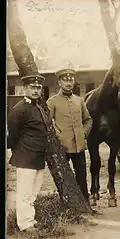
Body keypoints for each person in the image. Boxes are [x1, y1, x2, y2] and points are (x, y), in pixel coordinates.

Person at [7, 74, 50, 236]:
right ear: (25, 88)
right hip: (26, 156)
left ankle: (30, 220)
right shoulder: (19, 110)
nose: (35, 90)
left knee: (33, 192)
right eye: (32, 87)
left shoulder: (37, 107)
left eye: (38, 87)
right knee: (24, 192)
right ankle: (24, 225)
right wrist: (21, 150)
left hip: (38, 157)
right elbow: (13, 136)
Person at [47, 69, 92, 201]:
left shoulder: (79, 100)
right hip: (62, 146)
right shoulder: (52, 101)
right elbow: (48, 123)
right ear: (59, 82)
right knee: (64, 177)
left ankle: (85, 203)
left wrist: (83, 133)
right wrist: (57, 137)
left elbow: (88, 120)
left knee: (82, 176)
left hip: (78, 145)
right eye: (65, 80)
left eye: (71, 80)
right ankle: (66, 203)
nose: (68, 83)